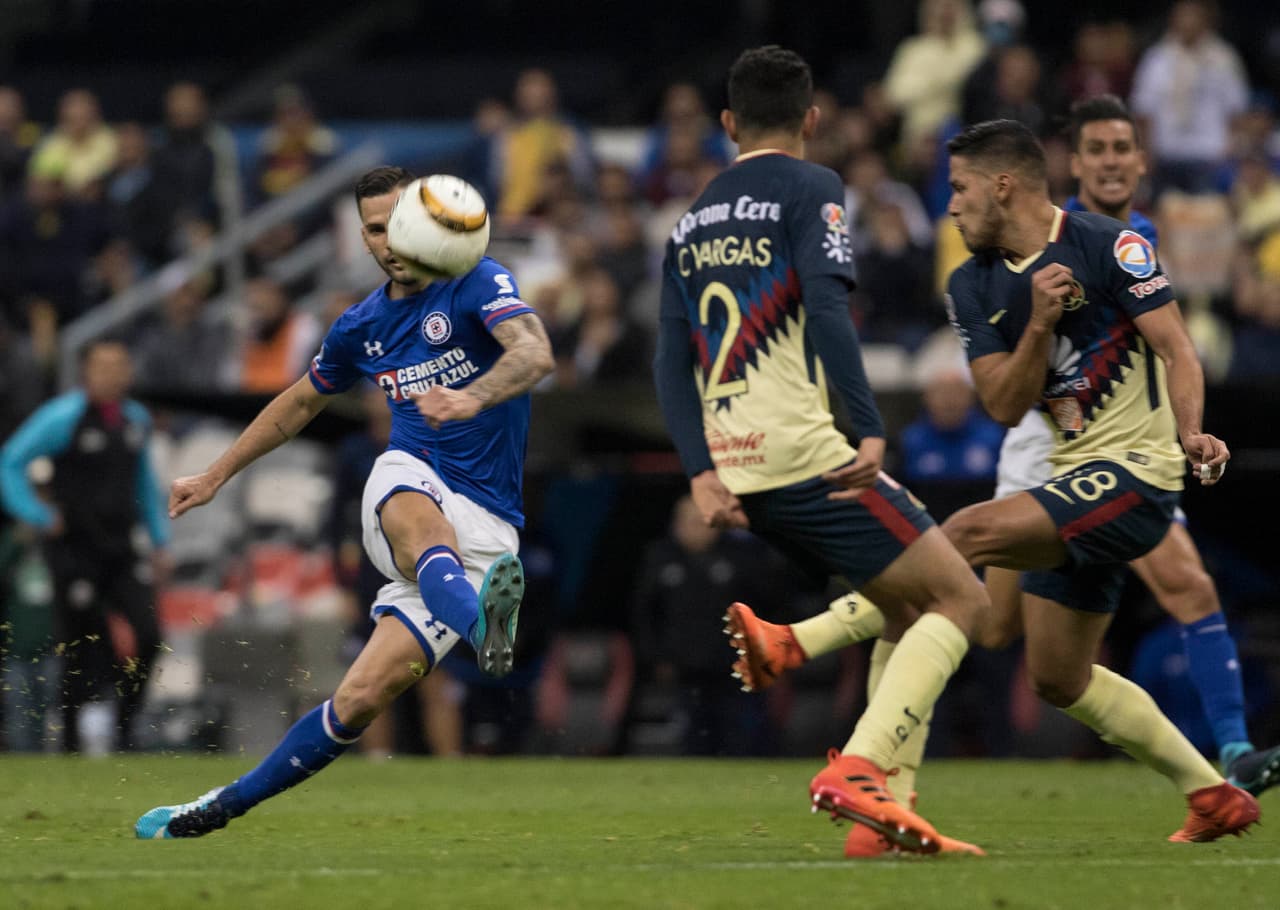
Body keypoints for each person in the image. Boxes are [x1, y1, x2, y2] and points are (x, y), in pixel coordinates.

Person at [734, 97, 1280, 804]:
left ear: (1002, 186)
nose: (950, 207)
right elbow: (1000, 402)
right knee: (1056, 675)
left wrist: (1193, 432)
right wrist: (1038, 326)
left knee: (960, 539)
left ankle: (820, 680)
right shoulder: (970, 285)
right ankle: (1213, 795)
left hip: (1136, 479)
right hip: (1072, 483)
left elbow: (1179, 349)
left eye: (958, 189)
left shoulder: (1113, 245)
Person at [134, 166, 554, 838]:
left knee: (358, 699)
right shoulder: (360, 325)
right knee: (405, 493)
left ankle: (222, 805)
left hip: (489, 527)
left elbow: (534, 352)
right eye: (377, 228)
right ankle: (484, 631)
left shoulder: (477, 282)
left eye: (401, 223)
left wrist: (474, 395)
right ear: (362, 237)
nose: (390, 241)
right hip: (412, 481)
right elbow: (300, 401)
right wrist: (216, 473)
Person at [653, 45, 991, 856]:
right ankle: (862, 768)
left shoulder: (690, 221)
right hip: (804, 451)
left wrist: (700, 472)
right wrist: (867, 425)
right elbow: (832, 316)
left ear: (728, 124)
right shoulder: (812, 188)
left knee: (907, 607)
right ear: (811, 119)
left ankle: (879, 824)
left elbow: (669, 357)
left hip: (734, 462)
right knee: (965, 603)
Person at [0, 339, 169, 752]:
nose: (112, 374)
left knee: (149, 634)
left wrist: (160, 540)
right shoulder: (62, 418)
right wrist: (39, 516)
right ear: (86, 373)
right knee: (81, 645)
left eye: (119, 365)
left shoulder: (135, 420)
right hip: (75, 549)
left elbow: (143, 483)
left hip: (122, 549)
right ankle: (72, 740)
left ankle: (124, 725)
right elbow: (9, 462)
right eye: (102, 366)